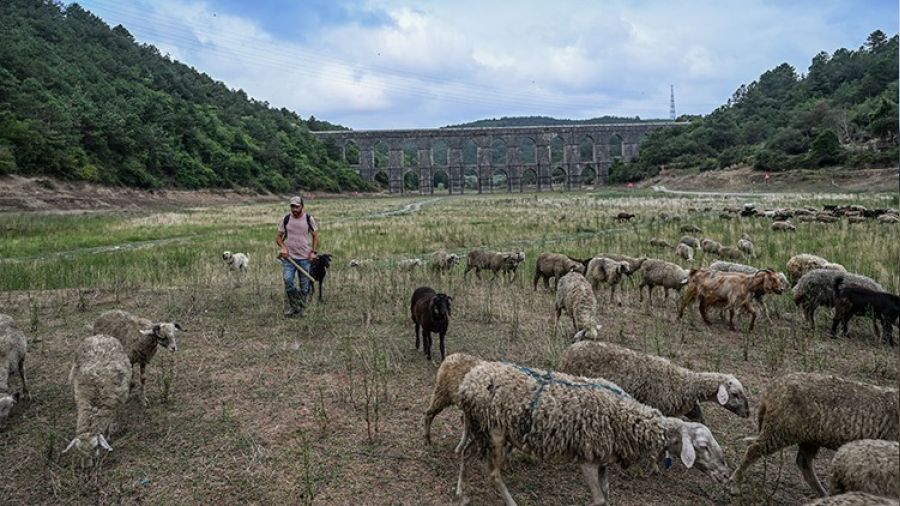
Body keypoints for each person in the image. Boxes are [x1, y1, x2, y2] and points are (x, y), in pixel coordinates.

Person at [276, 196, 319, 317]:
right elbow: (279, 237)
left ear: (302, 206)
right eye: (292, 206)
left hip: (305, 258)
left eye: (297, 206)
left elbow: (315, 236)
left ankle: (302, 308)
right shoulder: (286, 219)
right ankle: (294, 306)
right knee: (288, 280)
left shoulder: (308, 219)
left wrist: (313, 252)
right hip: (289, 258)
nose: (294, 209)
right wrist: (283, 247)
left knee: (304, 285)